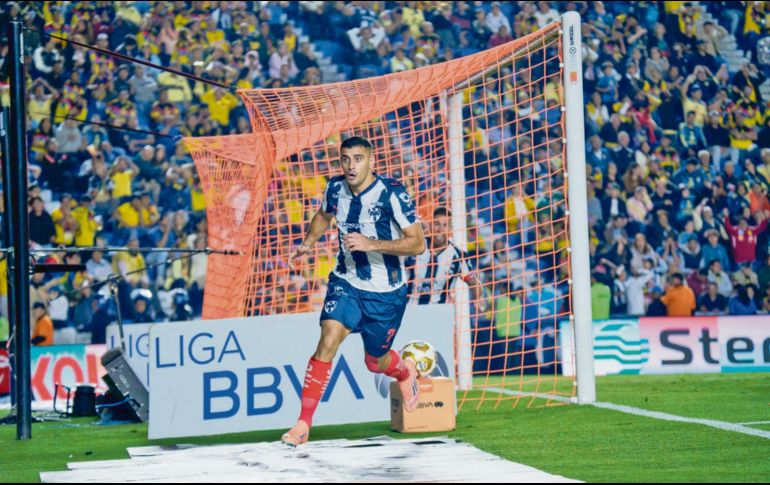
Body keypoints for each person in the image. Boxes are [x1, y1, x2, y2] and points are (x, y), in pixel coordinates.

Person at [282, 136, 426, 447]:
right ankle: (303, 423)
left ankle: (405, 374)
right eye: (345, 159)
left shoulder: (392, 194)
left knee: (375, 362)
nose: (350, 165)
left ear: (371, 161)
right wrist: (307, 243)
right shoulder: (335, 188)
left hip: (386, 293)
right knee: (327, 339)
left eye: (358, 159)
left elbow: (418, 243)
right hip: (346, 282)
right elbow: (323, 215)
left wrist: (372, 243)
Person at [409, 207, 488, 313]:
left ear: (450, 228)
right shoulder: (413, 247)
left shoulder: (458, 257)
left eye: (445, 225)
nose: (440, 230)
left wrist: (478, 297)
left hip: (438, 315)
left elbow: (474, 283)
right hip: (408, 311)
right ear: (431, 225)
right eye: (437, 224)